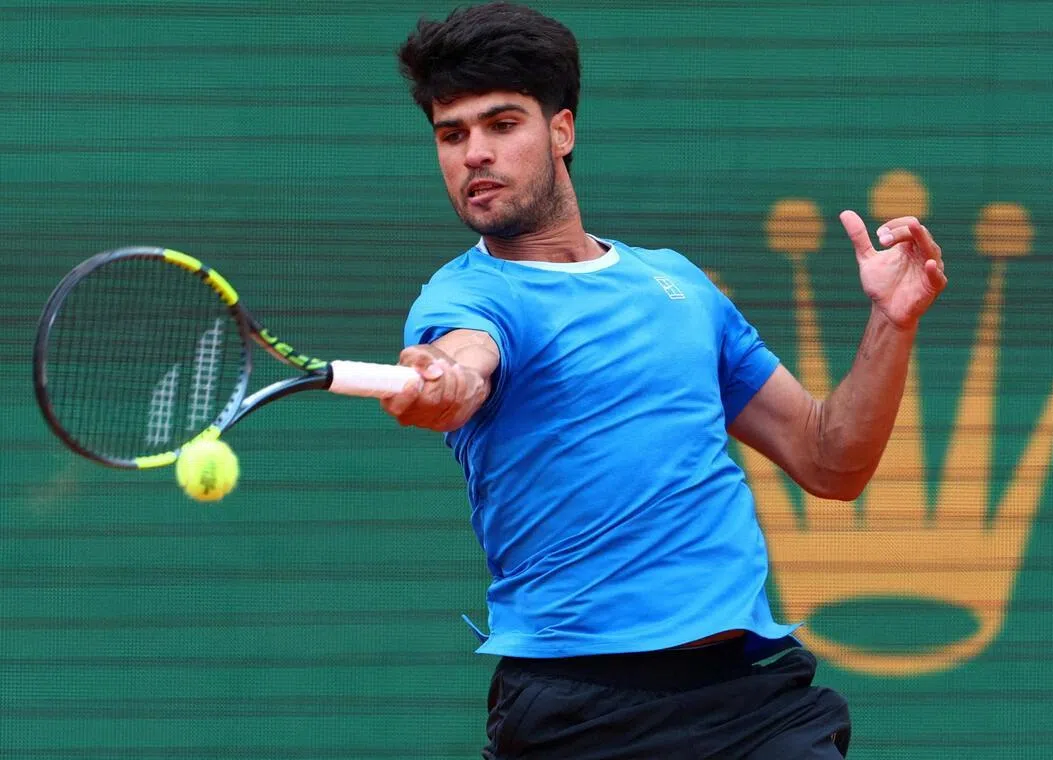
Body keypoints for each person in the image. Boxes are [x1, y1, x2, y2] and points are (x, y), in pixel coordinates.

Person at [388, 3, 946, 758]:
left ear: (562, 131)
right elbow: (462, 364)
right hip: (579, 712)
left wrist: (893, 320)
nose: (473, 154)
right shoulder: (466, 299)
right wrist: (444, 379)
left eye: (501, 124)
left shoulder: (675, 282)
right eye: (451, 136)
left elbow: (831, 459)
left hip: (749, 702)